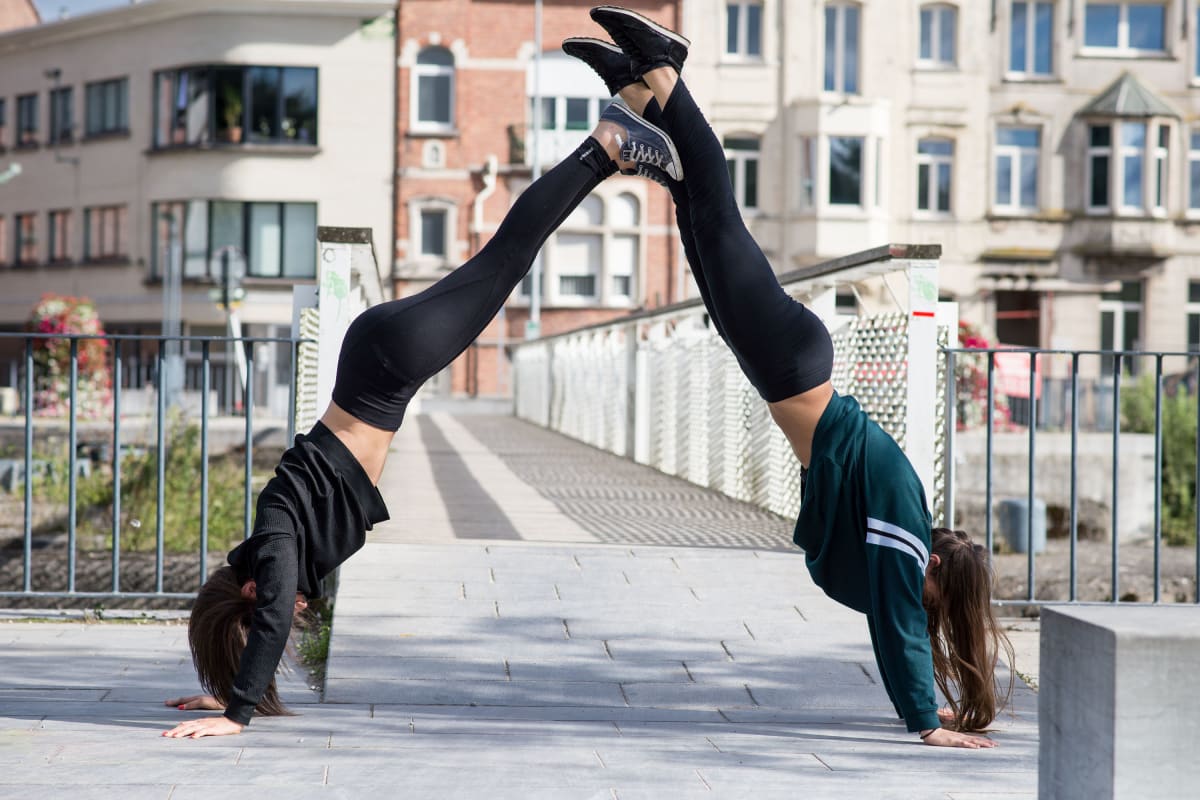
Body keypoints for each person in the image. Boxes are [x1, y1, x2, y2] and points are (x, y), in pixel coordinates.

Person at [162, 100, 685, 739]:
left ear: (250, 591)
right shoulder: (284, 542)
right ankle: (614, 146)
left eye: (282, 606)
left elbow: (270, 614)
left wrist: (237, 715)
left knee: (509, 258)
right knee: (506, 261)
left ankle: (608, 143)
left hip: (389, 362)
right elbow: (268, 616)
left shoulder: (274, 542)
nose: (297, 608)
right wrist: (228, 694)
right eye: (296, 608)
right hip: (381, 361)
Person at [565, 6, 1014, 749]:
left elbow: (891, 617)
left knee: (697, 227)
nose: (920, 599)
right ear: (934, 563)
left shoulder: (898, 526)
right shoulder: (904, 525)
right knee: (715, 213)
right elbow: (900, 617)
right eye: (933, 590)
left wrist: (929, 706)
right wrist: (921, 723)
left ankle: (639, 98)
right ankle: (665, 69)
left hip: (784, 365)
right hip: (790, 361)